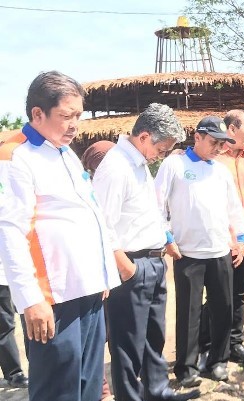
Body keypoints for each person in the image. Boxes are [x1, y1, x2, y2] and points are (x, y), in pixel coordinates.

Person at [0, 70, 121, 401]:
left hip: (88, 289)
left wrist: (102, 273)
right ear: (38, 114)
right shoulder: (15, 156)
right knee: (58, 391)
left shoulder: (64, 153)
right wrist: (30, 300)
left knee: (87, 384)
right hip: (53, 298)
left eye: (78, 116)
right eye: (66, 116)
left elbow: (89, 212)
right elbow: (11, 231)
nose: (74, 125)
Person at [92, 103, 199, 401]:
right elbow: (102, 223)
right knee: (128, 342)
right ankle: (130, 396)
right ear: (144, 137)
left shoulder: (138, 165)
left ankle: (156, 390)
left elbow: (147, 212)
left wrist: (164, 238)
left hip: (153, 262)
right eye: (161, 149)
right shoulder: (116, 168)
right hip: (132, 264)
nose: (161, 156)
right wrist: (124, 266)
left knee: (154, 335)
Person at [155, 116, 244, 385]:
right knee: (189, 313)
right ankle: (186, 368)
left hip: (220, 251)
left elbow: (234, 208)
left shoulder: (220, 171)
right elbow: (157, 205)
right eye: (213, 142)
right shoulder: (174, 165)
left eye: (222, 144)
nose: (218, 148)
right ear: (197, 137)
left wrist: (241, 238)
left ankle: (218, 361)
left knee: (223, 309)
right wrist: (167, 237)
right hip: (187, 254)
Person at [198, 110, 244, 366]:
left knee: (239, 296)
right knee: (217, 297)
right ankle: (206, 345)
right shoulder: (212, 162)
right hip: (222, 242)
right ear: (231, 129)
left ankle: (235, 343)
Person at [81, 140, 117, 401]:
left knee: (111, 333)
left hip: (114, 271)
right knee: (96, 337)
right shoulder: (87, 191)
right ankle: (101, 390)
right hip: (93, 275)